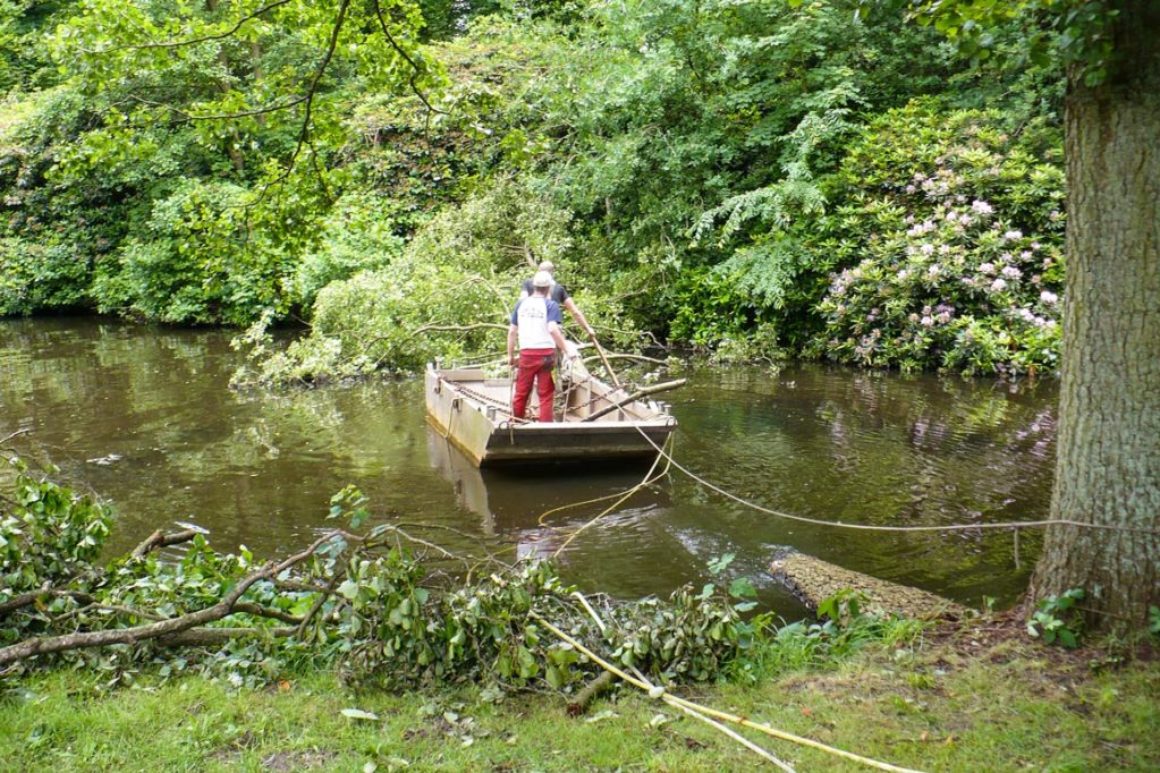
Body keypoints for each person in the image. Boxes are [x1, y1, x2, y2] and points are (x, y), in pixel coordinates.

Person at [508, 270, 573, 422]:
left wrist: (510, 356)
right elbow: (552, 328)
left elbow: (512, 332)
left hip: (527, 355)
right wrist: (567, 350)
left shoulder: (521, 304)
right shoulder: (551, 305)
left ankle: (516, 423)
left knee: (521, 391)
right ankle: (545, 427)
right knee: (546, 393)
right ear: (549, 288)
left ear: (534, 286)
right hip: (546, 356)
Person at [520, 261, 595, 337]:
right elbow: (575, 311)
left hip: (533, 327)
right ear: (552, 273)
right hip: (554, 329)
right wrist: (588, 328)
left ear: (538, 271)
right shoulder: (558, 288)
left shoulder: (528, 283)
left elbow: (522, 301)